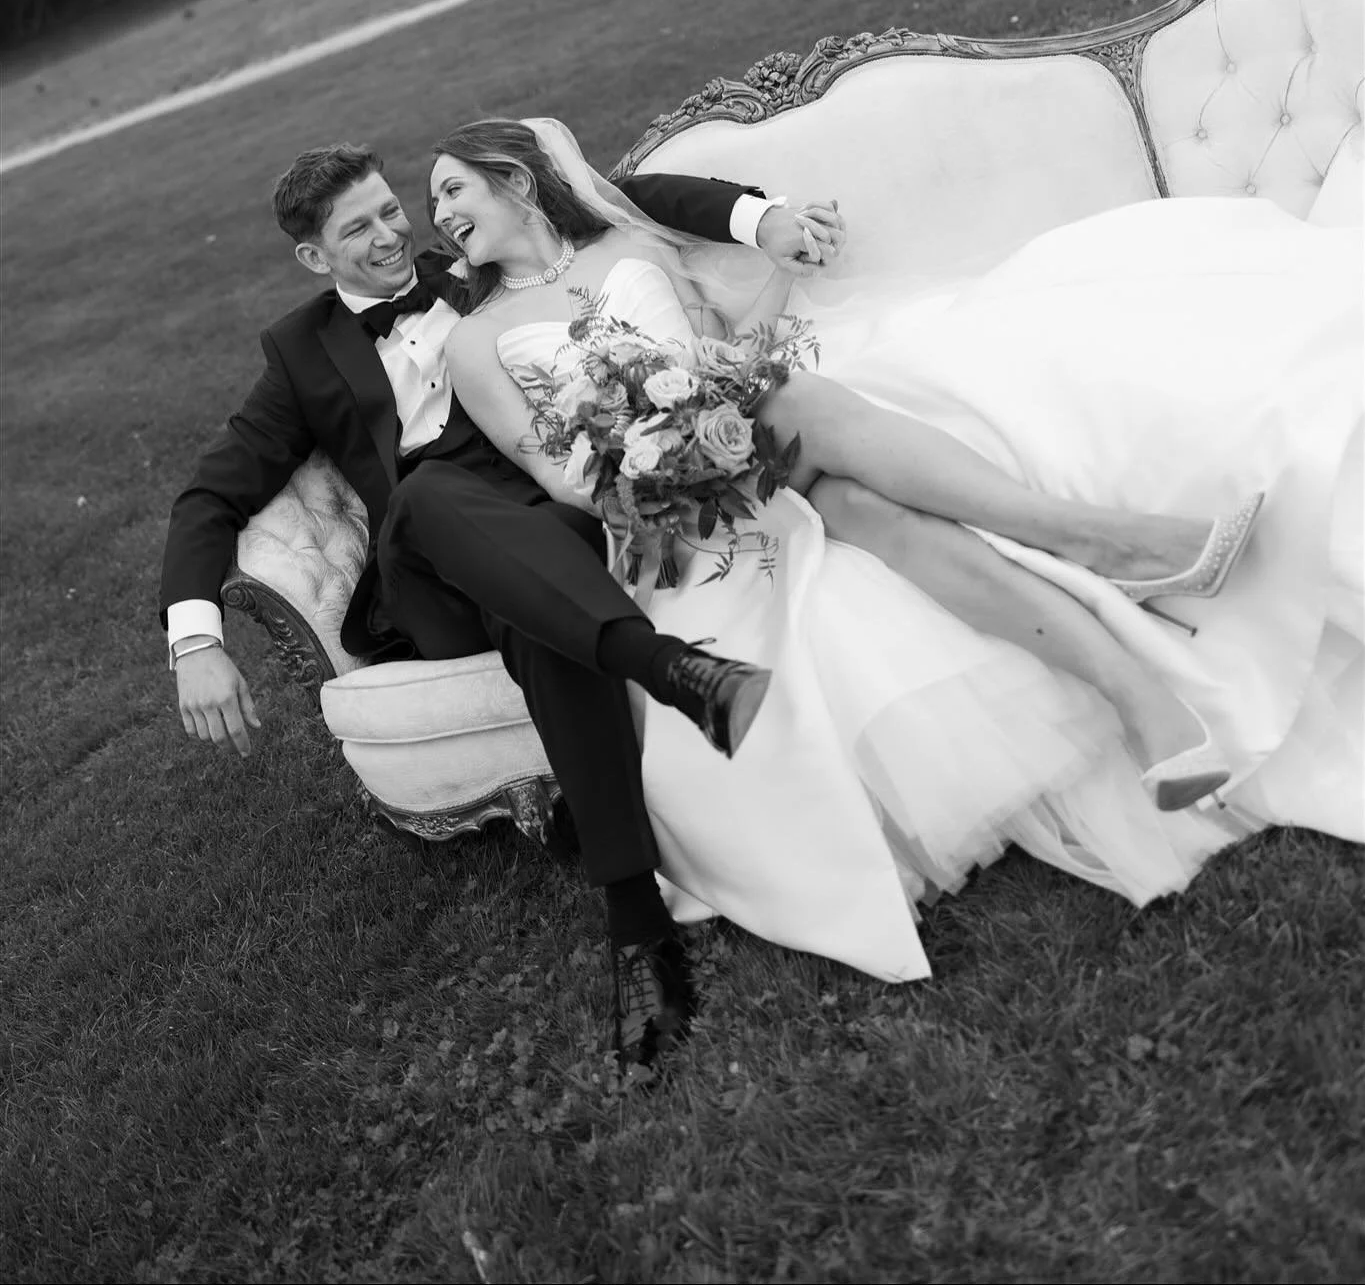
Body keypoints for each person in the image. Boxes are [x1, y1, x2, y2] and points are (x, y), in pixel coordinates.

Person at [431, 117, 1364, 988]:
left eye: (450, 192)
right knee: (840, 472)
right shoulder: (473, 342)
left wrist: (770, 276)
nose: (439, 218)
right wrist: (664, 466)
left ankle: (1142, 703)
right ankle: (1098, 547)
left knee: (842, 472)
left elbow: (721, 351)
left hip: (746, 437)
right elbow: (551, 470)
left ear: (513, 181)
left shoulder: (632, 249)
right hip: (665, 517)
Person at [159, 138, 850, 1079]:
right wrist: (193, 639)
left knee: (539, 617)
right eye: (356, 229)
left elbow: (618, 191)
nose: (392, 234)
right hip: (430, 559)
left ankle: (638, 929)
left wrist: (757, 216)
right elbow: (211, 495)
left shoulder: (475, 257)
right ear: (314, 258)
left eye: (390, 209)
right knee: (435, 497)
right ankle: (662, 668)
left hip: (554, 520)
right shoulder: (299, 352)